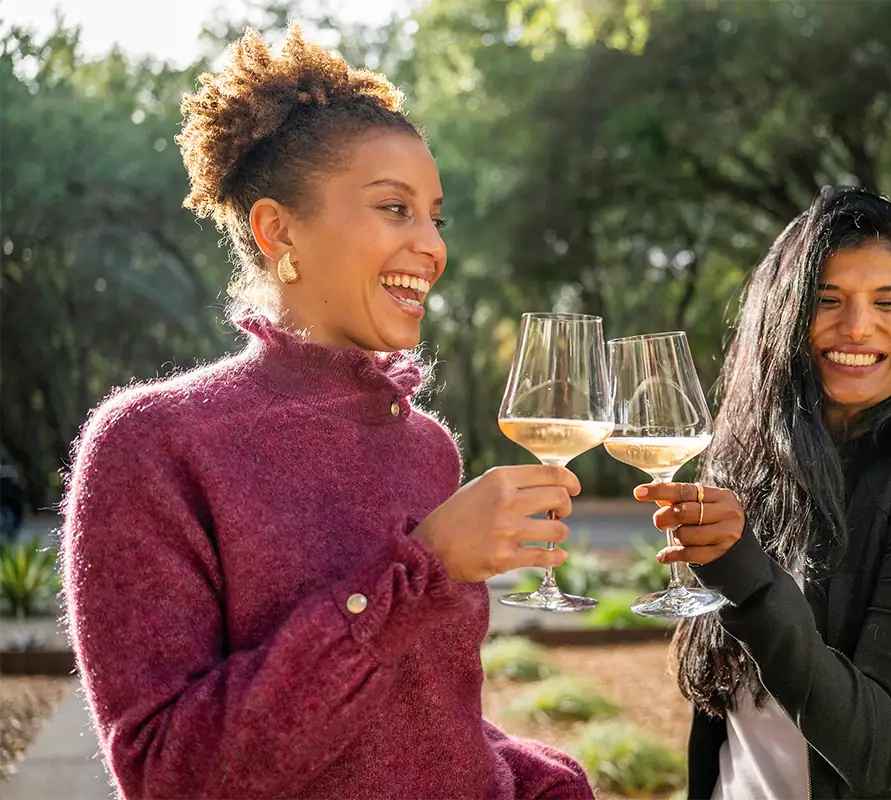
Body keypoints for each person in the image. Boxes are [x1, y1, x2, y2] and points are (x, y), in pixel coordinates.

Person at [60, 25, 593, 800]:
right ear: (279, 230)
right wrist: (422, 570)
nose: (432, 245)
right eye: (394, 208)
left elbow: (420, 721)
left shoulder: (425, 447)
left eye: (435, 217)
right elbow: (173, 773)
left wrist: (540, 778)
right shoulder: (153, 445)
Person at [634, 186, 891, 799]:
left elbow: (884, 753)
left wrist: (751, 583)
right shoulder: (754, 469)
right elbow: (731, 719)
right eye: (827, 301)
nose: (858, 326)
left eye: (888, 301)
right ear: (784, 320)